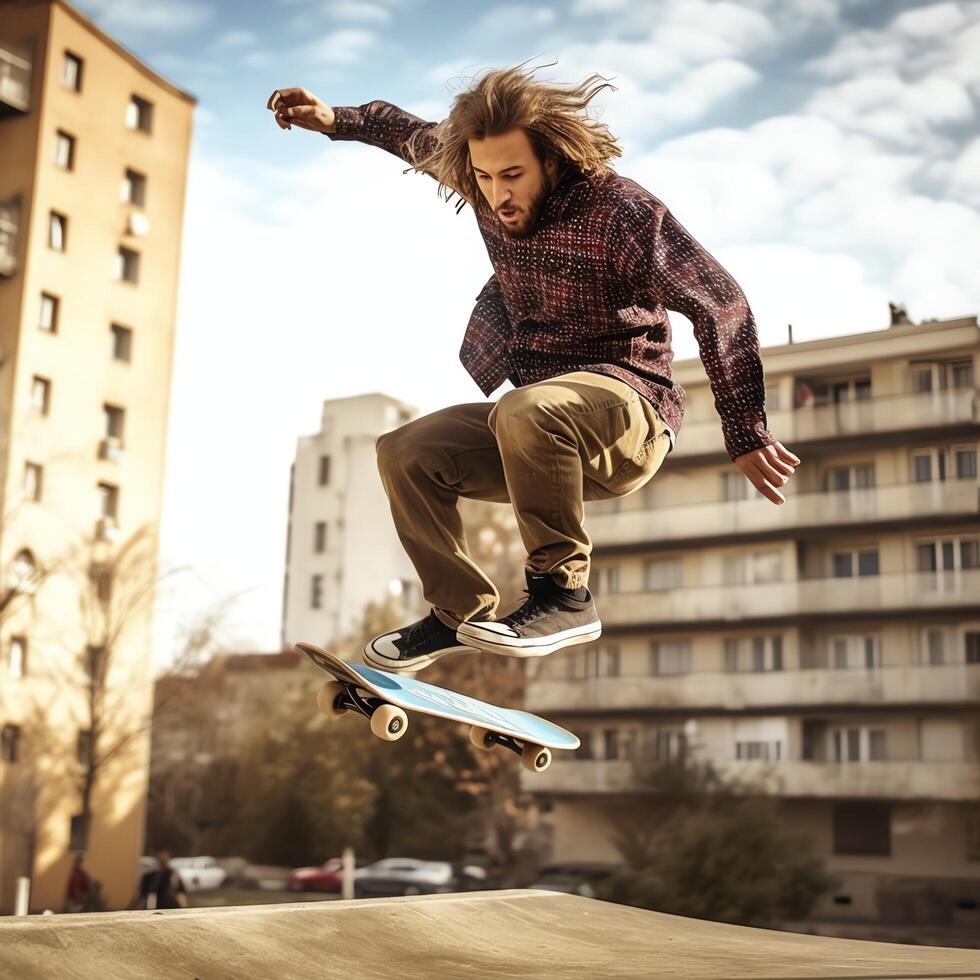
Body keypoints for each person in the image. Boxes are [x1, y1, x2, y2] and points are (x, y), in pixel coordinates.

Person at [267, 62, 801, 673]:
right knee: (406, 451)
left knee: (528, 408)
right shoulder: (480, 182)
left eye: (513, 175)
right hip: (542, 441)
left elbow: (719, 300)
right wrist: (336, 120)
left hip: (631, 417)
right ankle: (457, 613)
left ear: (552, 160)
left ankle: (564, 594)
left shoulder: (620, 212)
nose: (499, 194)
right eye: (487, 177)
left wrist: (745, 428)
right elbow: (408, 133)